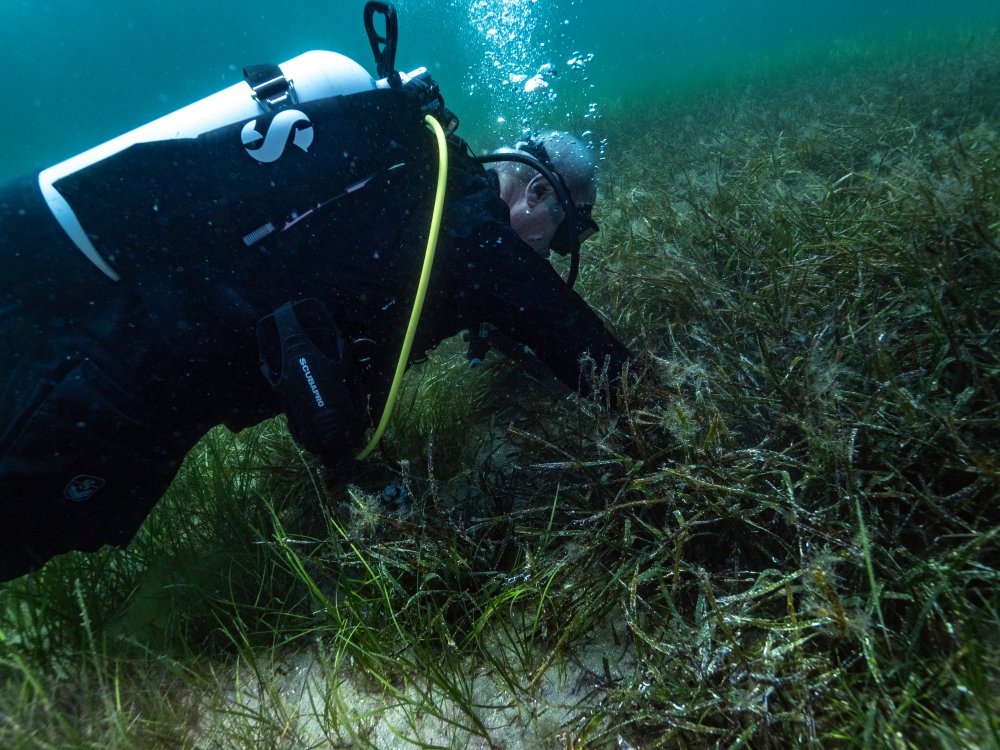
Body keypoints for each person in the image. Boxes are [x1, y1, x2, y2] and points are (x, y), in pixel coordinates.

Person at [0, 51, 630, 582]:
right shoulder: (476, 237)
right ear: (538, 192)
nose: (556, 253)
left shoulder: (427, 185)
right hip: (122, 381)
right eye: (568, 234)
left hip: (138, 363)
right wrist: (661, 403)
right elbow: (583, 347)